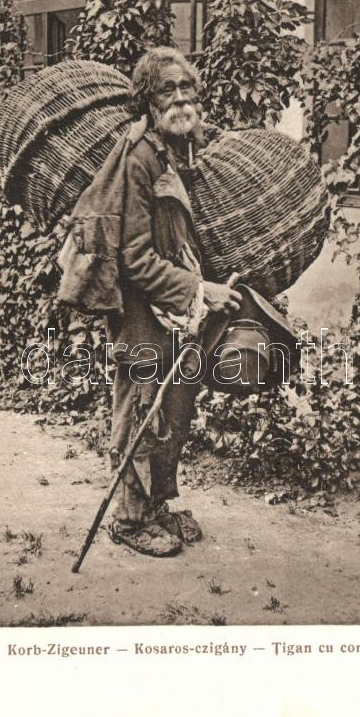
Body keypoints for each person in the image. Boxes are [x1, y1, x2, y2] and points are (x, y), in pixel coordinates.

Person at [106, 46, 242, 557]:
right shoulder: (138, 159)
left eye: (187, 88)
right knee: (143, 412)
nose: (182, 99)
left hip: (178, 313)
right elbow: (133, 259)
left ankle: (158, 507)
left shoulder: (179, 151)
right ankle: (129, 520)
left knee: (176, 410)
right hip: (142, 312)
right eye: (169, 90)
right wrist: (200, 290)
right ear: (149, 100)